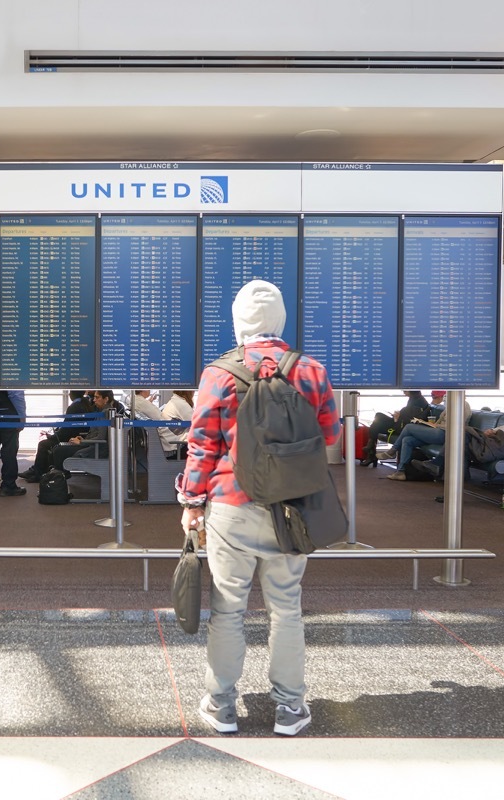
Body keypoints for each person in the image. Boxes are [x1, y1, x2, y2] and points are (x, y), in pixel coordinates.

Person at [178, 280, 339, 737]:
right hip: (294, 507)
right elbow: (329, 437)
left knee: (228, 607)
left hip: (231, 504)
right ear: (280, 319)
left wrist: (191, 502)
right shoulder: (310, 371)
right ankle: (290, 709)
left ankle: (222, 706)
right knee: (286, 607)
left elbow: (201, 446)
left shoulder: (218, 373)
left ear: (237, 321)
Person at [386, 394, 471, 480]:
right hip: (438, 431)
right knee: (407, 440)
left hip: (447, 434)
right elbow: (440, 422)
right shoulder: (450, 406)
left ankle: (393, 450)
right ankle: (400, 471)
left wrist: (437, 426)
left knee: (408, 427)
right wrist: (431, 424)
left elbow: (456, 424)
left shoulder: (463, 405)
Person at [21, 390, 95, 482]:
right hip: (76, 435)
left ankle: (38, 474)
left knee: (43, 444)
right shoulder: (84, 404)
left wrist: (52, 436)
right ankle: (35, 470)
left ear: (71, 394)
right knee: (46, 444)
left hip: (71, 437)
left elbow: (66, 430)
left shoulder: (74, 407)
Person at [359, 390, 431, 467]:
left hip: (402, 428)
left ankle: (371, 452)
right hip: (400, 424)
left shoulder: (418, 402)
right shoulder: (414, 399)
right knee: (378, 416)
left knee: (376, 425)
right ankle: (370, 449)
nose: (403, 392)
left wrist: (398, 416)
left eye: (405, 391)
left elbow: (412, 420)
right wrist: (398, 416)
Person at [49, 390, 115, 472]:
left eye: (97, 397)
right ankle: (59, 475)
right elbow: (96, 433)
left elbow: (100, 437)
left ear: (106, 399)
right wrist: (83, 439)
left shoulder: (105, 414)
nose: (94, 400)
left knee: (59, 451)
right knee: (58, 448)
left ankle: (59, 477)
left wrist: (81, 442)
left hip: (96, 449)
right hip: (92, 445)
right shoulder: (103, 412)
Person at [158, 389, 194, 458]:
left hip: (171, 444)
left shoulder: (175, 401)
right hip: (177, 448)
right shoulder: (180, 404)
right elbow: (198, 423)